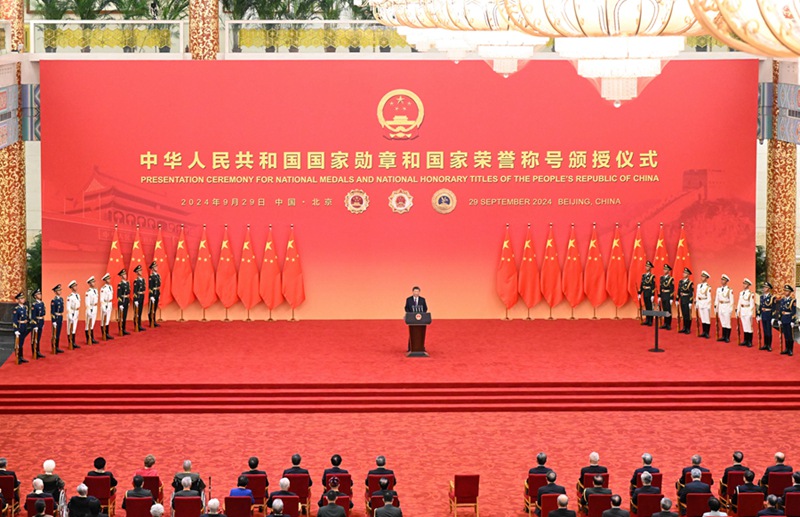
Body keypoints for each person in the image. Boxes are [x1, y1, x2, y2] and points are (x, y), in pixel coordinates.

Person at [715, 275, 735, 343]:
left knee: (727, 322)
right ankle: (723, 336)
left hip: (726, 306)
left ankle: (727, 337)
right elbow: (717, 298)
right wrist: (716, 307)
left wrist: (730, 309)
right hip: (720, 306)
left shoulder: (729, 290)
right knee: (723, 322)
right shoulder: (719, 289)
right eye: (721, 280)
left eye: (724, 280)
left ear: (726, 281)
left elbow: (731, 300)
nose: (722, 281)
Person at [737, 279, 756, 347]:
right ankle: (745, 340)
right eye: (744, 284)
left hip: (747, 310)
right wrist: (738, 310)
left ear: (748, 285)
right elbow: (739, 302)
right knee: (744, 326)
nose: (744, 285)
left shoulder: (751, 294)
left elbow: (752, 304)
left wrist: (750, 312)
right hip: (742, 310)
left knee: (749, 326)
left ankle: (749, 341)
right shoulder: (741, 293)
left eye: (746, 284)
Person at [12, 292, 29, 363]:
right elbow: (15, 320)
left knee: (22, 343)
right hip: (19, 327)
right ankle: (17, 357)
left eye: (23, 298)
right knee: (18, 343)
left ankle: (21, 357)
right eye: (21, 298)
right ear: (18, 300)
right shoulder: (16, 309)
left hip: (24, 326)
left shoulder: (25, 307)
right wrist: (16, 330)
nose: (23, 299)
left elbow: (26, 317)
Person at [779, 287, 797, 356]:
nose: (785, 292)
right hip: (784, 319)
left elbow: (794, 312)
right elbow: (780, 310)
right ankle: (786, 349)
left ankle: (790, 350)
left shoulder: (793, 301)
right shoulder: (783, 300)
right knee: (785, 334)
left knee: (790, 335)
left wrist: (793, 320)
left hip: (789, 319)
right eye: (785, 291)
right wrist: (779, 319)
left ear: (790, 292)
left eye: (787, 291)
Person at [759, 282, 777, 351]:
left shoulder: (772, 297)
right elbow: (760, 306)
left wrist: (773, 317)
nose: (764, 288)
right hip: (763, 315)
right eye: (764, 287)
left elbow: (774, 308)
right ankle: (765, 344)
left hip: (769, 315)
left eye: (766, 287)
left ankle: (769, 345)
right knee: (765, 330)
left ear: (769, 289)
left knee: (769, 331)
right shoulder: (762, 297)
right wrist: (758, 314)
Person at [30, 288, 46, 359]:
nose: (40, 295)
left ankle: (38, 351)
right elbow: (33, 316)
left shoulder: (42, 303)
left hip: (41, 321)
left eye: (40, 294)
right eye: (39, 294)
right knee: (34, 338)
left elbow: (43, 313)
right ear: (35, 296)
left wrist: (42, 322)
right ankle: (34, 352)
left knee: (38, 337)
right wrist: (35, 324)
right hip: (36, 322)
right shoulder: (34, 305)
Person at [639, 261, 657, 327]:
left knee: (650, 307)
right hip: (645, 292)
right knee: (646, 306)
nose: (647, 267)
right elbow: (642, 284)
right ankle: (647, 319)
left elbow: (653, 286)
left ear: (650, 268)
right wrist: (639, 292)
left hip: (649, 292)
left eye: (648, 266)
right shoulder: (643, 275)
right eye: (646, 266)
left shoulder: (652, 276)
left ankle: (650, 321)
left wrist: (652, 295)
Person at [696, 272, 713, 338]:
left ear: (706, 278)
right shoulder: (699, 285)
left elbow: (709, 297)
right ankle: (703, 332)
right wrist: (697, 302)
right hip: (700, 302)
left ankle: (707, 333)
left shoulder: (708, 287)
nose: (702, 278)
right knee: (702, 318)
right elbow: (697, 295)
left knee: (707, 319)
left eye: (703, 277)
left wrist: (708, 305)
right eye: (701, 276)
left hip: (705, 303)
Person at [678, 269, 694, 334]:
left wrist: (690, 302)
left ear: (688, 275)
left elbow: (691, 293)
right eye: (683, 272)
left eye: (685, 273)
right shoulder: (681, 282)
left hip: (687, 299)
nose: (684, 274)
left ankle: (688, 328)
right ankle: (684, 327)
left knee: (688, 314)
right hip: (682, 299)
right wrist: (677, 299)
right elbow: (679, 290)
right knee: (684, 314)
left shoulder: (690, 283)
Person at [659, 264, 675, 330]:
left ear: (668, 270)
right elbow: (660, 287)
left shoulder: (671, 279)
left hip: (668, 295)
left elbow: (672, 289)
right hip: (663, 295)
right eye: (664, 269)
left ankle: (668, 324)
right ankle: (665, 323)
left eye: (666, 269)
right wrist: (659, 296)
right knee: (664, 309)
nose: (664, 270)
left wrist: (671, 298)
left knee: (668, 310)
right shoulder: (661, 278)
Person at [99, 273, 114, 341]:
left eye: (109, 278)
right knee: (103, 320)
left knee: (107, 319)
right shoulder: (103, 288)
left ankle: (107, 333)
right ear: (105, 280)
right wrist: (103, 306)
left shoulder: (110, 287)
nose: (109, 279)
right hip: (105, 304)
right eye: (107, 279)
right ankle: (103, 333)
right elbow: (102, 299)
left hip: (110, 303)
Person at [50, 284, 65, 354]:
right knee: (54, 333)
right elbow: (52, 312)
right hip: (56, 317)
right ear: (55, 292)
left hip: (60, 316)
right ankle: (53, 347)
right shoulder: (54, 300)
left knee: (58, 332)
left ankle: (57, 347)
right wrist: (53, 321)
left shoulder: (61, 299)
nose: (60, 291)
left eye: (60, 290)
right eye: (58, 290)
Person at [66, 280, 81, 349]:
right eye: (74, 286)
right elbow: (68, 307)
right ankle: (70, 342)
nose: (75, 287)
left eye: (76, 285)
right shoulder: (70, 297)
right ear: (71, 288)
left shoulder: (78, 295)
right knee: (70, 328)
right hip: (72, 312)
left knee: (74, 328)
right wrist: (70, 315)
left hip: (76, 312)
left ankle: (73, 342)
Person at [85, 276, 99, 345]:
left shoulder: (96, 290)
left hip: (95, 307)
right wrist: (89, 311)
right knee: (88, 324)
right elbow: (87, 303)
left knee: (92, 323)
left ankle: (92, 338)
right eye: (92, 282)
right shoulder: (88, 292)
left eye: (94, 281)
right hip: (90, 308)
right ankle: (88, 338)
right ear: (89, 284)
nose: (94, 283)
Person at [117, 270, 131, 336]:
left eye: (125, 274)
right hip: (122, 300)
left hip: (126, 300)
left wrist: (128, 301)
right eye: (124, 274)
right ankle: (120, 329)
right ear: (121, 276)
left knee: (124, 316)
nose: (125, 275)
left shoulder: (127, 283)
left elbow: (128, 293)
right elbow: (119, 294)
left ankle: (124, 329)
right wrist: (120, 303)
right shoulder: (120, 284)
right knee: (121, 316)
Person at [133, 265, 146, 332]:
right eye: (139, 271)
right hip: (137, 297)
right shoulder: (136, 281)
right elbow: (135, 291)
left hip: (142, 296)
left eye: (141, 270)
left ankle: (139, 325)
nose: (141, 272)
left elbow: (144, 288)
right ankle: (136, 325)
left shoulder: (143, 280)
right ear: (137, 272)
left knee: (140, 312)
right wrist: (135, 300)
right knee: (136, 312)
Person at [148, 261, 161, 328]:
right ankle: (151, 321)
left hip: (157, 293)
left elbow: (159, 286)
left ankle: (154, 321)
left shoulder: (158, 275)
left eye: (157, 266)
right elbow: (150, 287)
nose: (156, 267)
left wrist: (159, 294)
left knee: (155, 308)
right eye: (155, 267)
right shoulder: (151, 277)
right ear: (152, 268)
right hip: (153, 294)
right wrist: (151, 296)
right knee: (151, 308)